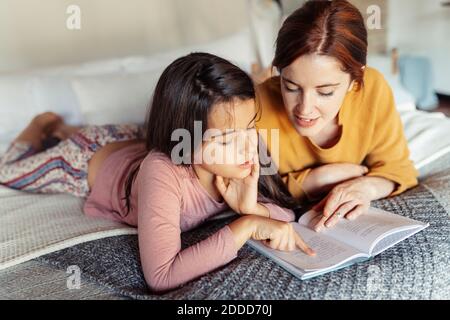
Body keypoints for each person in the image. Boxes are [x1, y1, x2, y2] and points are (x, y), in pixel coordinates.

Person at [0, 53, 315, 293]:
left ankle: (64, 127)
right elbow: (161, 276)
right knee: (7, 173)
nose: (248, 147)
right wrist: (245, 225)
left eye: (249, 127)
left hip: (134, 137)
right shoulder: (162, 173)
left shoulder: (243, 147)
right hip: (85, 157)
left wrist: (252, 208)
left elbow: (283, 214)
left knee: (130, 134)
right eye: (225, 138)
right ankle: (42, 124)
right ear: (186, 142)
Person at [255, 0, 418, 231]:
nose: (304, 108)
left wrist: (366, 187)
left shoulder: (372, 88)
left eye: (325, 92)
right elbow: (242, 191)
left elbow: (399, 171)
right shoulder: (256, 105)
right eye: (291, 87)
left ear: (354, 81)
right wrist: (316, 180)